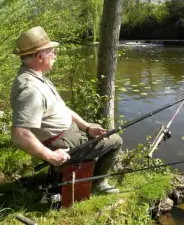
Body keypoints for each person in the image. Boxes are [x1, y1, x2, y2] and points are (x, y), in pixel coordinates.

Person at [10, 26, 122, 194]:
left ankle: (71, 175)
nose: (55, 55)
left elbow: (62, 108)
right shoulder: (31, 90)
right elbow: (19, 134)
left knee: (98, 127)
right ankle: (97, 185)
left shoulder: (37, 77)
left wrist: (86, 127)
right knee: (115, 141)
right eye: (52, 51)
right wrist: (50, 156)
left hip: (68, 133)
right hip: (62, 142)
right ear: (40, 55)